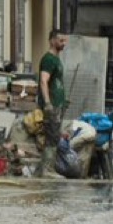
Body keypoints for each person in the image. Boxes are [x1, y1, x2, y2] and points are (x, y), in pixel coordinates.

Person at [36, 29, 68, 178]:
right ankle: (47, 170)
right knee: (52, 136)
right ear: (52, 41)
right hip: (52, 105)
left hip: (57, 104)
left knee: (54, 136)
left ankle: (44, 169)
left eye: (64, 41)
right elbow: (44, 81)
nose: (64, 43)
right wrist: (48, 103)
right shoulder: (48, 59)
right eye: (61, 40)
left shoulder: (56, 59)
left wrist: (63, 100)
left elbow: (56, 82)